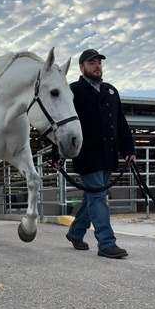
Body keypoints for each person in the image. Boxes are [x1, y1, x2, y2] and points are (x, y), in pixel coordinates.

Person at [53, 48, 136, 259]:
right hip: (86, 155)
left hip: (109, 155)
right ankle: (106, 243)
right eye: (92, 62)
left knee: (94, 196)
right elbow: (62, 123)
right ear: (82, 68)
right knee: (98, 196)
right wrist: (57, 154)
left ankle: (75, 232)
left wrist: (128, 149)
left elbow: (120, 123)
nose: (97, 65)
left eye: (99, 62)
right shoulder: (73, 91)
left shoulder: (111, 91)